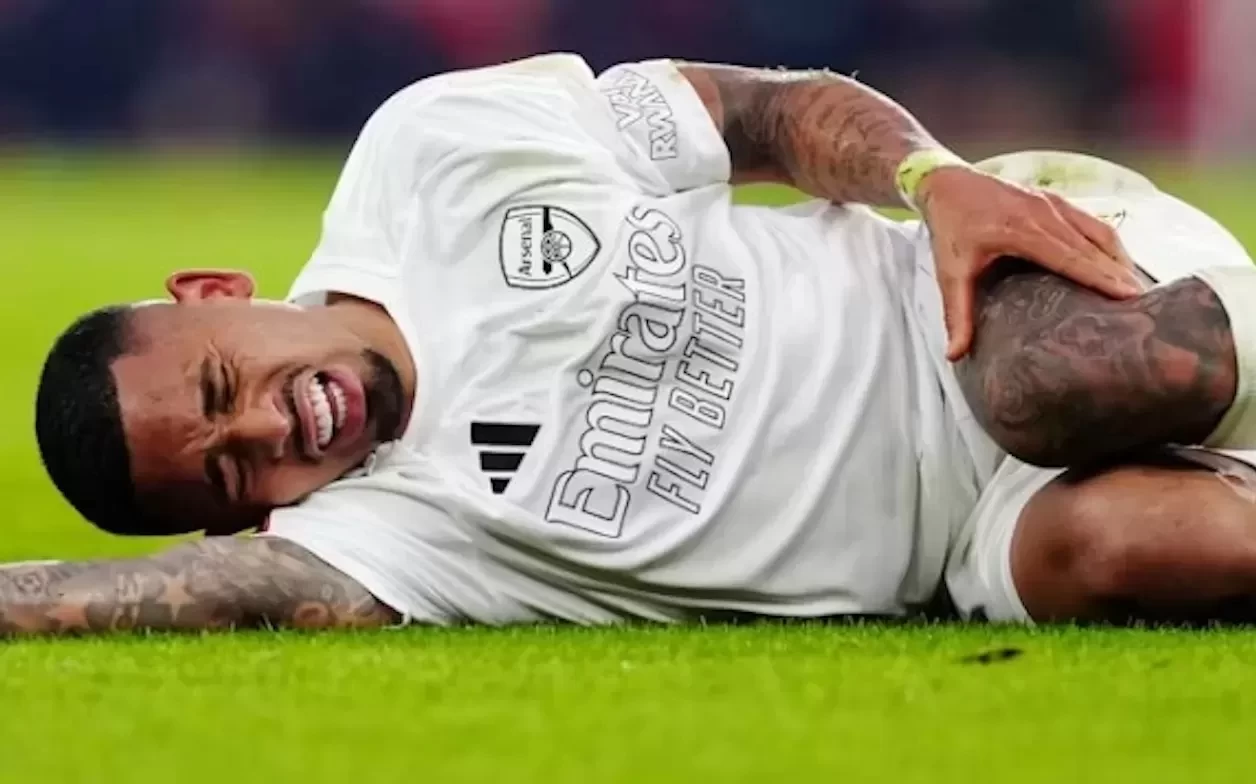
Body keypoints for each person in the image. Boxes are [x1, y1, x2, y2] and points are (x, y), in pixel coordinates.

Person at [10, 55, 1256, 635]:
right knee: (1136, 546)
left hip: (986, 301)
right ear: (238, 522)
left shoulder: (428, 153)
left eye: (220, 384)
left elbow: (770, 112)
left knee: (1048, 389)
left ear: (216, 288)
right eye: (230, 469)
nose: (267, 425)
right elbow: (123, 600)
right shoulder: (385, 541)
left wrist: (936, 184)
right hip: (971, 543)